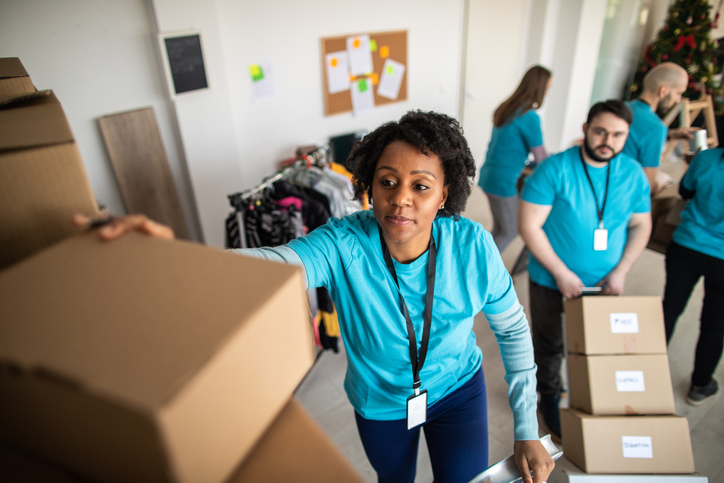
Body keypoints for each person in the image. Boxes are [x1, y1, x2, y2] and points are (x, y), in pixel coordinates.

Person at [76, 111, 554, 483]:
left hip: (457, 391)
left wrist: (526, 426)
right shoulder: (343, 243)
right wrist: (170, 253)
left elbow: (512, 329)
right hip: (383, 403)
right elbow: (269, 264)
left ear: (445, 192)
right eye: (387, 181)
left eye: (420, 186)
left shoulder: (472, 246)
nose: (401, 197)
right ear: (369, 185)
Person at [518, 100, 652, 440]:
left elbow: (641, 225)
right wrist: (561, 272)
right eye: (601, 131)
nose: (608, 140)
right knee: (550, 345)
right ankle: (549, 397)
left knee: (598, 342)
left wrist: (622, 269)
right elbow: (529, 226)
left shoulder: (633, 174)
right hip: (550, 278)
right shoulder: (555, 169)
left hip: (606, 281)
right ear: (585, 129)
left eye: (618, 135)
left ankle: (597, 396)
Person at [662, 147, 724, 406]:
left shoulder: (707, 158)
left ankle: (644, 369)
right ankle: (700, 385)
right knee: (715, 322)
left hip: (687, 245)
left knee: (669, 308)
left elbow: (684, 191)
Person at [477, 65, 551, 253]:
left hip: (488, 175)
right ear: (540, 88)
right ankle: (482, 266)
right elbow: (542, 158)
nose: (548, 92)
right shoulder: (529, 116)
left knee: (500, 228)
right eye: (548, 87)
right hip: (502, 181)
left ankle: (480, 258)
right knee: (511, 230)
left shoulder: (507, 107)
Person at [623, 62, 691, 194]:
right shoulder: (656, 127)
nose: (678, 100)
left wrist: (670, 134)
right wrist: (661, 184)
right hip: (625, 193)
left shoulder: (622, 107)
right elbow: (648, 186)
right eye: (678, 93)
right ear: (663, 91)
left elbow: (637, 133)